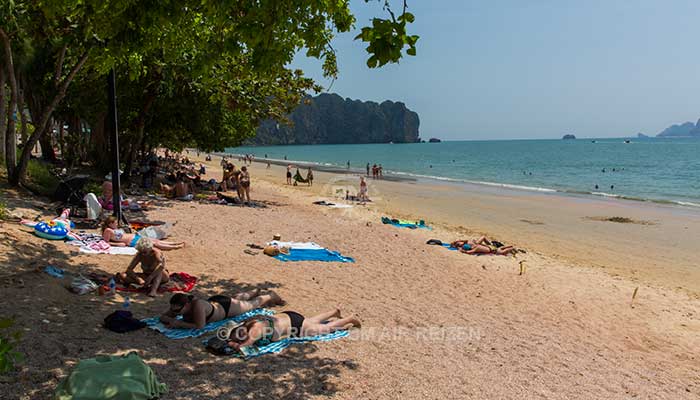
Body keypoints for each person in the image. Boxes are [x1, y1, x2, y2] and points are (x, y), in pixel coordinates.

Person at [225, 308, 361, 350]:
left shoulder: (254, 331)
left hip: (294, 325)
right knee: (311, 322)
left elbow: (243, 347)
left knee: (324, 329)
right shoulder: (248, 322)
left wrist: (230, 343)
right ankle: (334, 312)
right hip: (287, 316)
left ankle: (349, 319)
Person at [160, 290, 285, 329]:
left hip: (226, 308)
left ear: (186, 305)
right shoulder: (179, 305)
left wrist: (177, 323)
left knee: (252, 305)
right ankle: (253, 291)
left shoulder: (197, 306)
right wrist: (169, 317)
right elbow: (163, 317)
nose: (175, 313)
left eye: (177, 311)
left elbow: (200, 325)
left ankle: (270, 296)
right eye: (174, 311)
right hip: (216, 302)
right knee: (237, 299)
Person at [101, 216, 185, 250]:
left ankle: (174, 243)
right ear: (110, 223)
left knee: (155, 240)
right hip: (131, 241)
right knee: (153, 243)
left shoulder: (114, 228)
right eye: (115, 223)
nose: (116, 224)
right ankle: (175, 247)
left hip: (135, 237)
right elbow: (106, 242)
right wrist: (119, 244)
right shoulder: (108, 230)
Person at [450, 236, 515, 256]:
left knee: (502, 251)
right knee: (501, 248)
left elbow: (470, 252)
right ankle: (511, 247)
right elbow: (469, 250)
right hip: (491, 248)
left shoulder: (476, 248)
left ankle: (512, 248)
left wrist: (462, 251)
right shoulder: (475, 246)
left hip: (493, 250)